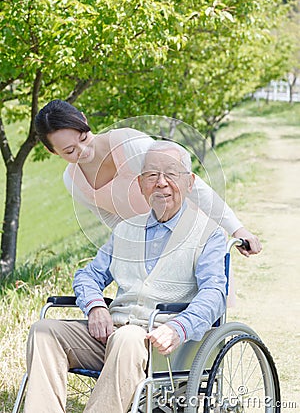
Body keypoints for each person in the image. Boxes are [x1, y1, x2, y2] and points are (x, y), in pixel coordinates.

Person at [24, 141, 227, 413]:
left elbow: (214, 294)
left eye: (171, 174)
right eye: (152, 175)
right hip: (113, 335)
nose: (161, 183)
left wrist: (179, 327)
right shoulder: (126, 230)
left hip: (165, 344)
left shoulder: (208, 234)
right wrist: (95, 306)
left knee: (129, 337)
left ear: (190, 183)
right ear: (141, 184)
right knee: (44, 331)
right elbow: (89, 276)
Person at [34, 99, 262, 256]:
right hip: (149, 252)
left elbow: (192, 187)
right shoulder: (73, 180)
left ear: (84, 119)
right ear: (52, 151)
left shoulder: (131, 145)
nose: (83, 151)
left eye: (83, 137)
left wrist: (237, 229)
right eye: (70, 151)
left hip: (193, 237)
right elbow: (112, 220)